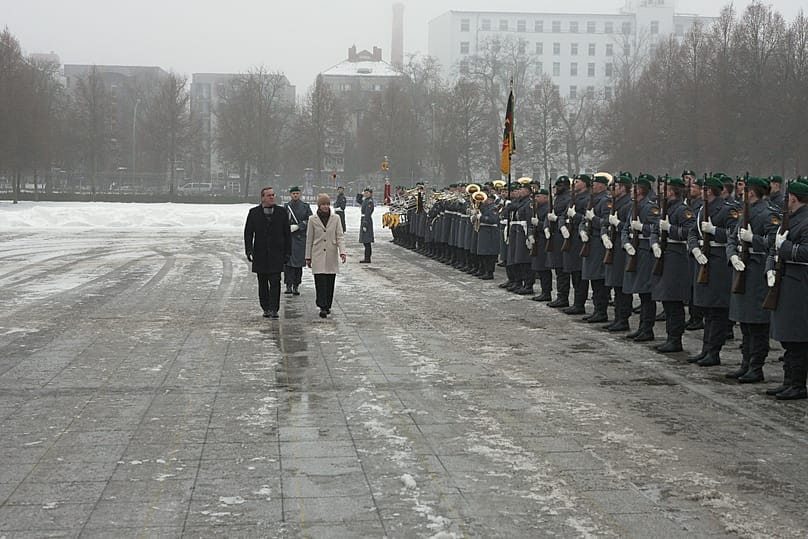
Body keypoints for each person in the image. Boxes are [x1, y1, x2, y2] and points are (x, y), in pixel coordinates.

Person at [767, 180, 808, 399]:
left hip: (799, 284)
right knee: (789, 338)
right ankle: (789, 381)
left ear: (793, 197)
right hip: (787, 282)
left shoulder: (806, 221)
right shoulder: (791, 218)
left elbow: (805, 252)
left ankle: (798, 384)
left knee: (798, 337)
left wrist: (784, 247)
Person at [244, 187, 292, 319]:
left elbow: (287, 234)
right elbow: (248, 233)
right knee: (263, 283)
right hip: (260, 254)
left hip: (277, 254)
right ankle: (265, 307)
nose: (272, 197)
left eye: (273, 195)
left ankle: (274, 309)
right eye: (269, 195)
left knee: (275, 282)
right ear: (262, 198)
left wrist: (288, 252)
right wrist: (249, 250)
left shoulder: (281, 212)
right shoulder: (254, 213)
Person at [305, 193, 347, 318]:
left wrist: (342, 251)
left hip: (331, 253)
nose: (325, 206)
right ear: (319, 205)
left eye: (327, 204)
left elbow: (339, 236)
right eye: (323, 204)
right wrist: (308, 256)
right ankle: (322, 306)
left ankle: (328, 304)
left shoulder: (336, 218)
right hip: (317, 253)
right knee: (320, 281)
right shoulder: (312, 219)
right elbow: (309, 239)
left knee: (329, 281)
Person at [284, 186, 313, 295]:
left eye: (297, 193)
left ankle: (296, 285)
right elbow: (282, 220)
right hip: (289, 238)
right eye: (293, 193)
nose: (295, 195)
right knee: (287, 264)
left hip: (300, 238)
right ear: (290, 195)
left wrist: (299, 226)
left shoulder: (305, 207)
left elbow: (310, 220)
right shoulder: (286, 207)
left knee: (298, 264)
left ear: (300, 194)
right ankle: (288, 285)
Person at [359, 187, 375, 263]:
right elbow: (358, 200)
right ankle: (367, 257)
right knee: (365, 241)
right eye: (365, 193)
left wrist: (365, 223)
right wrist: (361, 194)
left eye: (367, 193)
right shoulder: (365, 200)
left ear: (371, 194)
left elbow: (368, 213)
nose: (366, 194)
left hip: (367, 220)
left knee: (367, 241)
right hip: (364, 219)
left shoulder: (369, 202)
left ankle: (367, 258)